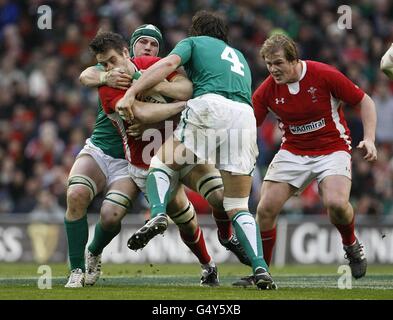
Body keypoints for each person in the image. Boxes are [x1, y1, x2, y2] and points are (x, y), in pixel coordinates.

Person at [117, 11, 276, 290]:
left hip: (210, 107)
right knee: (238, 205)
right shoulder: (238, 56)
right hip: (244, 116)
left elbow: (167, 64)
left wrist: (131, 94)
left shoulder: (193, 43)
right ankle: (261, 268)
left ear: (197, 31)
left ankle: (157, 213)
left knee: (162, 164)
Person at [64, 25, 218, 288]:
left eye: (154, 44)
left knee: (169, 216)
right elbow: (86, 74)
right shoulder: (111, 75)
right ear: (129, 48)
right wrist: (105, 77)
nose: (148, 47)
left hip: (148, 158)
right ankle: (77, 269)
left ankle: (208, 265)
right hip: (104, 150)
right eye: (143, 42)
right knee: (76, 194)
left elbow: (185, 89)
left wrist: (153, 85)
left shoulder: (161, 71)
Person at [234, 34, 377, 286]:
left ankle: (351, 244)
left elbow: (364, 100)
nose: (273, 69)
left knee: (335, 204)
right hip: (293, 151)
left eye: (278, 63)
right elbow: (248, 125)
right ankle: (261, 271)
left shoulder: (324, 74)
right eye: (268, 64)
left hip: (332, 148)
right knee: (265, 208)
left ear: (294, 59)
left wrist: (370, 139)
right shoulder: (267, 90)